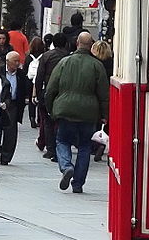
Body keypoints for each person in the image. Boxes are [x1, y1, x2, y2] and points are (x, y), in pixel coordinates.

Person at [45, 32, 109, 194]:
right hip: (88, 112)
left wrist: (51, 109)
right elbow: (103, 94)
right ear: (90, 45)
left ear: (77, 43)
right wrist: (104, 114)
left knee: (62, 140)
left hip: (65, 109)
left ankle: (66, 166)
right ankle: (78, 183)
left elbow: (51, 88)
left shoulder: (64, 62)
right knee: (85, 146)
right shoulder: (97, 66)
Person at [34, 31, 70, 161]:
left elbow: (40, 76)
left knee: (48, 122)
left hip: (48, 91)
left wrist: (38, 93)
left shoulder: (46, 56)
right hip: (64, 92)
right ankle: (61, 148)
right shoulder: (69, 57)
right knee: (61, 122)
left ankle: (51, 149)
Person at [0, 51, 31, 165]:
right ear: (7, 62)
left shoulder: (21, 74)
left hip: (13, 104)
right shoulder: (0, 71)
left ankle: (6, 157)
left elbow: (24, 90)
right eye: (15, 61)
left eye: (19, 61)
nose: (17, 63)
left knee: (11, 131)